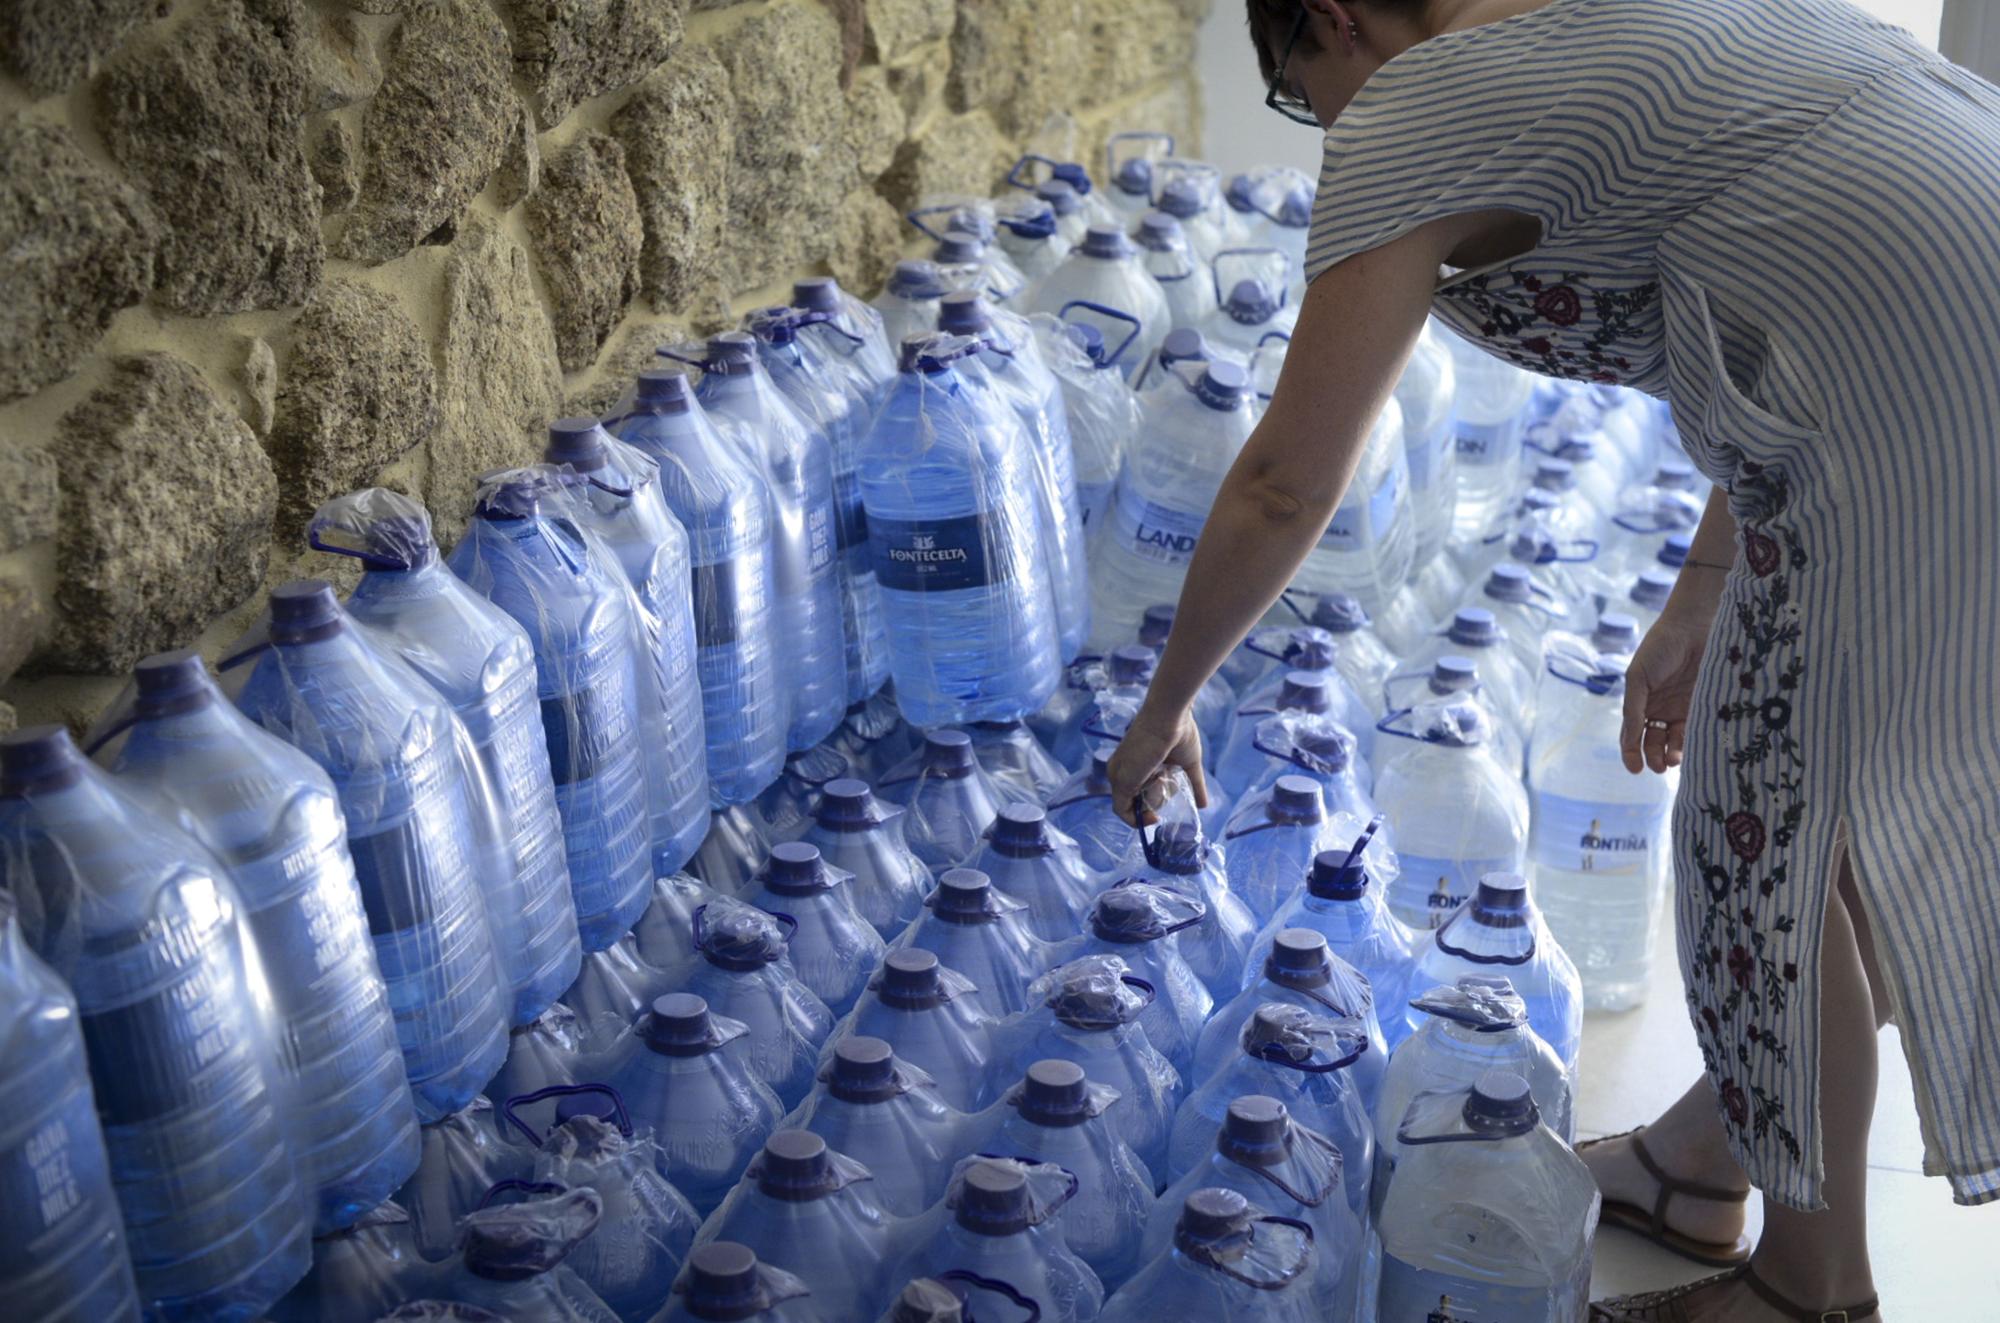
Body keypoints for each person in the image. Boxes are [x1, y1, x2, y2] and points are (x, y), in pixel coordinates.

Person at [1106, 1, 2000, 1319]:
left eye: (1305, 92)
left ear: (1336, 18)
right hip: (1934, 333)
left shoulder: (1421, 103)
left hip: (1925, 399)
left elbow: (1289, 483)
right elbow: (1803, 284)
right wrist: (1706, 587)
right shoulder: (1612, 17)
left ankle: (1813, 1291)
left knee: (1763, 847)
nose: (1328, 129)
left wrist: (1164, 706)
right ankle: (1702, 1159)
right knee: (1849, 811)